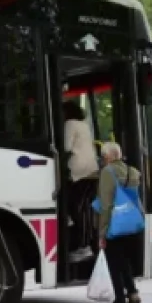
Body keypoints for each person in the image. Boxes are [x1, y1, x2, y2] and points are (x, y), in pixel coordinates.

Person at [97, 142, 142, 303]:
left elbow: (106, 206)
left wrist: (102, 232)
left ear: (107, 157)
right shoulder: (134, 172)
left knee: (115, 269)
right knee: (124, 262)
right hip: (132, 225)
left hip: (115, 226)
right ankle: (132, 292)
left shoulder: (107, 172)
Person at [63, 100, 99, 263]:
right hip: (91, 170)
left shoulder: (69, 124)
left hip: (78, 172)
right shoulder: (83, 125)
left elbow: (66, 147)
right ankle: (86, 244)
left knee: (75, 208)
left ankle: (81, 246)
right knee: (84, 210)